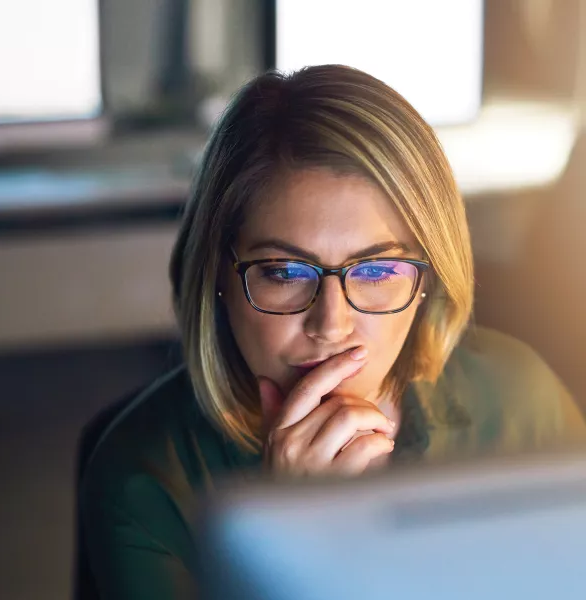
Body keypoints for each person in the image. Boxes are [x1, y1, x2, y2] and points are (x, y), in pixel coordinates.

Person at [79, 65, 586, 599]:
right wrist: (299, 533)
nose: (333, 326)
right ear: (217, 277)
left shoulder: (518, 400)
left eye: (377, 271)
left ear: (429, 279)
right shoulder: (144, 482)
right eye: (283, 273)